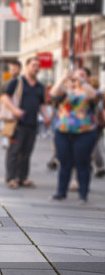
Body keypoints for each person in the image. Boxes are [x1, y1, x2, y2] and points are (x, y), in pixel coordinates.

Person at [49, 72, 101, 203]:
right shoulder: (66, 92)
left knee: (82, 163)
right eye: (76, 75)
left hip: (85, 131)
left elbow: (93, 96)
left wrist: (82, 82)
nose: (77, 77)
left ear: (87, 78)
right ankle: (61, 192)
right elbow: (53, 95)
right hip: (63, 130)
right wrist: (62, 78)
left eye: (82, 75)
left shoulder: (91, 92)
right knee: (64, 162)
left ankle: (83, 194)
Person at [1, 57, 45, 188]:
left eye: (37, 66)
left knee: (27, 152)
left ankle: (23, 177)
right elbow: (4, 97)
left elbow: (42, 104)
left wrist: (46, 117)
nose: (35, 68)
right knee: (14, 151)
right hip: (17, 123)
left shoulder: (40, 86)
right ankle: (11, 178)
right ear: (26, 66)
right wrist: (15, 110)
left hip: (32, 123)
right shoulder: (17, 82)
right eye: (33, 65)